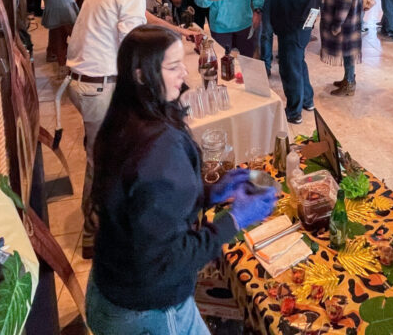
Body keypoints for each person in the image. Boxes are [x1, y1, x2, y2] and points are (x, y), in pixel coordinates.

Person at [87, 26, 276, 335]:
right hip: (148, 311)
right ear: (140, 74)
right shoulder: (158, 150)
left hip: (112, 287)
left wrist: (211, 192)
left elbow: (143, 203)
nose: (184, 73)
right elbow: (170, 259)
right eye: (173, 66)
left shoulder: (125, 118)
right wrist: (236, 220)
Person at [65, 0, 191, 259]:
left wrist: (176, 30)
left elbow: (142, 17)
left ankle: (107, 224)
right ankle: (95, 235)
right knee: (103, 160)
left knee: (106, 154)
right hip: (98, 85)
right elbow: (134, 46)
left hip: (83, 83)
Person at [266, 0, 317, 124]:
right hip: (296, 22)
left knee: (290, 68)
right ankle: (307, 100)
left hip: (295, 25)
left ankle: (294, 112)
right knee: (298, 63)